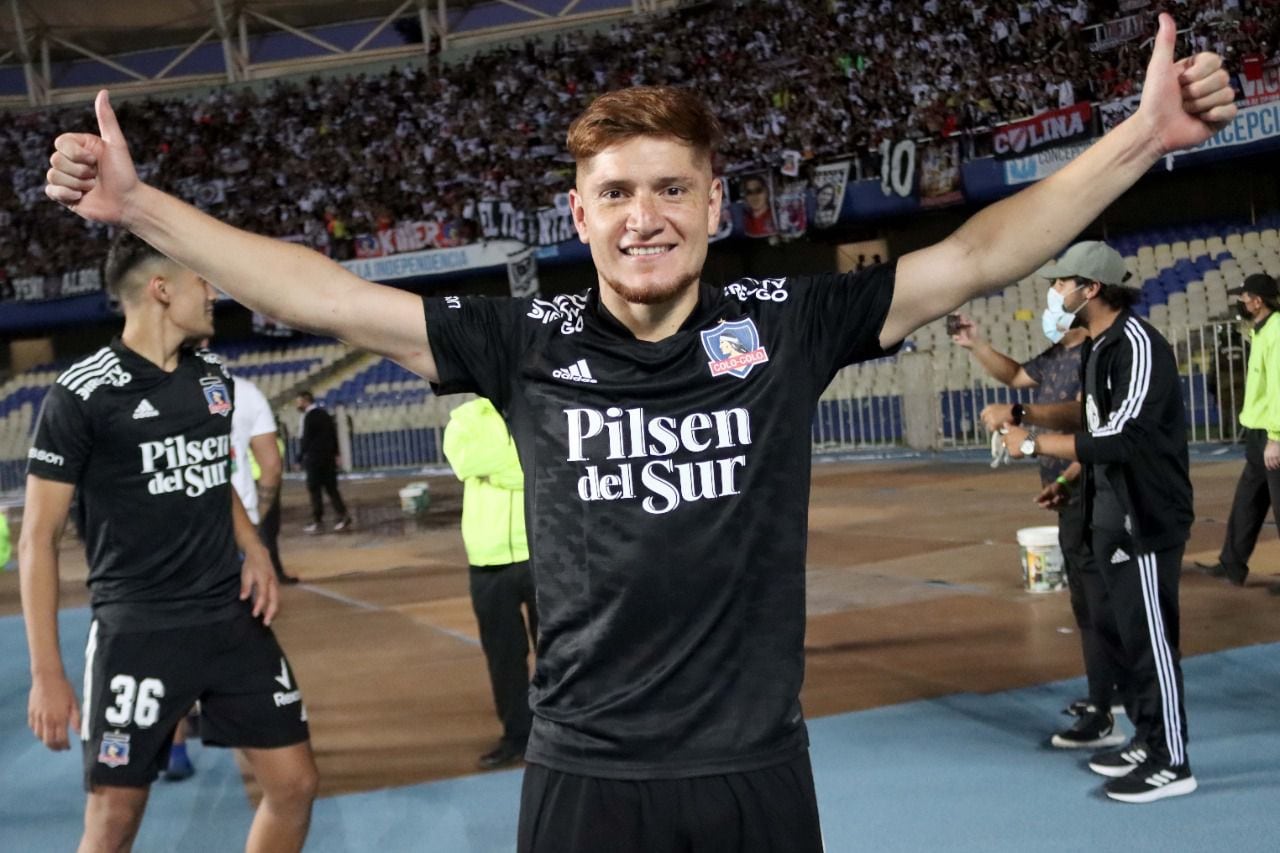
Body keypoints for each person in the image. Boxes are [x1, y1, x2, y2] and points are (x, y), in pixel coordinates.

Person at [44, 13, 1232, 844]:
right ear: (579, 213)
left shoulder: (783, 323)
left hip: (754, 766)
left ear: (715, 203)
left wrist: (1137, 140)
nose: (643, 217)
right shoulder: (524, 339)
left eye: (671, 189)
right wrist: (142, 203)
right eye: (615, 193)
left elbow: (974, 255)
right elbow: (321, 293)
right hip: (585, 777)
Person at [18, 232, 317, 851]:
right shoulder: (81, 394)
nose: (213, 293)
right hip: (139, 633)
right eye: (201, 282)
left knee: (295, 785)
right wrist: (47, 672)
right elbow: (37, 540)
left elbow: (211, 471)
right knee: (115, 820)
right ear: (161, 290)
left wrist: (254, 546)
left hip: (231, 621)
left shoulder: (213, 379)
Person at [1001, 240, 1196, 803]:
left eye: (1062, 283)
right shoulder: (1099, 346)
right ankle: (1146, 736)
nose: (1054, 292)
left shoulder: (1136, 346)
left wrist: (1032, 442)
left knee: (1153, 641)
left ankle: (1172, 762)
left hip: (1146, 516)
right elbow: (1094, 423)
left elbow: (1123, 437)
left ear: (1091, 289)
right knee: (1128, 635)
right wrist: (1066, 479)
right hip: (1111, 512)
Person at [954, 286, 1128, 750]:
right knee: (1087, 600)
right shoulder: (1057, 354)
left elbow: (1093, 425)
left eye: (1063, 292)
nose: (1056, 302)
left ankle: (1107, 705)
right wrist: (976, 346)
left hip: (1093, 488)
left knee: (1098, 601)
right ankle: (1108, 691)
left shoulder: (1097, 354)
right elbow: (1014, 374)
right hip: (1070, 490)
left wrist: (1069, 473)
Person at [442, 397, 537, 770]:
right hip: (487, 558)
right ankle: (517, 736)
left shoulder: (541, 404)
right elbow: (467, 462)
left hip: (542, 551)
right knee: (504, 658)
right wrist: (520, 462)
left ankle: (563, 733)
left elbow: (553, 462)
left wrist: (498, 466)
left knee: (560, 653)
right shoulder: (464, 417)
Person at [1193, 273, 1280, 593]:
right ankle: (1232, 564)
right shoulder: (1261, 331)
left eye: (1243, 297)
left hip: (1273, 434)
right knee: (1248, 500)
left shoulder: (1277, 331)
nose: (1239, 303)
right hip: (1259, 431)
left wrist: (1276, 437)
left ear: (1257, 300)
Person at [232, 375, 296, 583]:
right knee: (265, 534)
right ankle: (274, 570)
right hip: (255, 491)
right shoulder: (245, 392)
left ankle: (275, 569)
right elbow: (272, 465)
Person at [294, 389, 351, 534]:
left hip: (314, 459)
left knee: (314, 490)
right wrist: (336, 453)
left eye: (299, 401)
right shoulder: (324, 414)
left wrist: (299, 458)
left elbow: (306, 440)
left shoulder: (309, 417)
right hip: (328, 458)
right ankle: (343, 515)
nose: (297, 404)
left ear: (306, 400)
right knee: (332, 489)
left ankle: (317, 520)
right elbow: (333, 435)